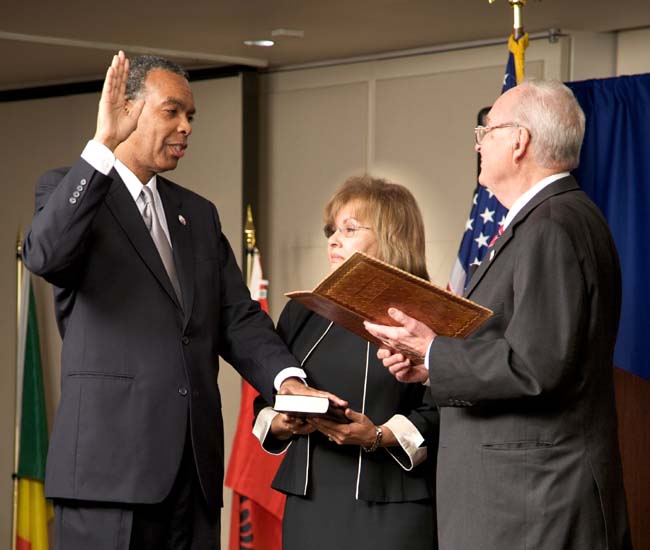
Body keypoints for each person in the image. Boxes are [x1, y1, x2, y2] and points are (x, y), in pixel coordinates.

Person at [21, 51, 340, 550]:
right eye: (172, 111)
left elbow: (237, 316)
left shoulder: (198, 214)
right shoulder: (68, 188)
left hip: (192, 473)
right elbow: (45, 255)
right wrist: (102, 144)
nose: (186, 126)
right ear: (128, 110)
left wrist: (288, 381)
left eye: (190, 116)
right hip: (108, 478)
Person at [364, 80, 632, 550]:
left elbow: (537, 367)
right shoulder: (551, 218)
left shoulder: (551, 226)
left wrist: (433, 349)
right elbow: (524, 346)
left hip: (533, 502)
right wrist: (432, 367)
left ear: (518, 141)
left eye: (485, 131)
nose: (478, 144)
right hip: (520, 497)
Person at [253, 176, 438, 550]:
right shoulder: (303, 311)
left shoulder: (428, 314)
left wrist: (377, 436)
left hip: (392, 508)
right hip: (311, 504)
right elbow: (266, 398)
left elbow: (447, 412)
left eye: (349, 229)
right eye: (332, 230)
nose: (333, 240)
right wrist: (284, 422)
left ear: (391, 236)